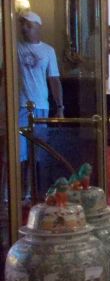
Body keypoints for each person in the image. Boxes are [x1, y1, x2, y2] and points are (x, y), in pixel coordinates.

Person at [17, 10, 64, 199]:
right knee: (19, 153)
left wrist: (60, 107)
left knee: (37, 153)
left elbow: (54, 79)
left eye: (28, 25)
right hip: (20, 106)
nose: (24, 28)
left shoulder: (48, 51)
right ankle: (15, 191)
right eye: (23, 25)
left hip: (41, 106)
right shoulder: (15, 48)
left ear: (37, 27)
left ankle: (31, 190)